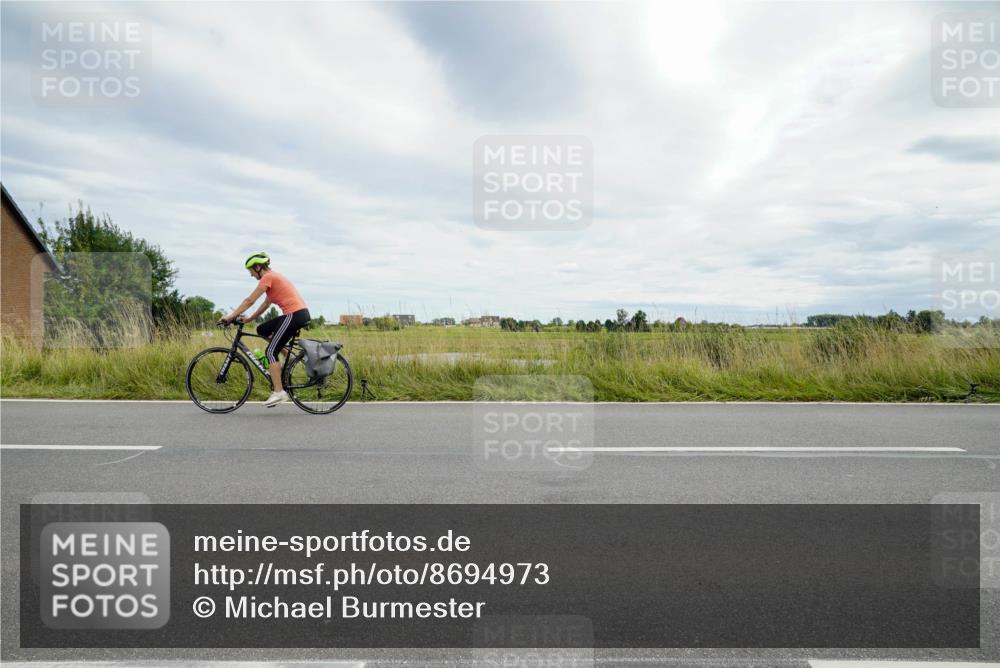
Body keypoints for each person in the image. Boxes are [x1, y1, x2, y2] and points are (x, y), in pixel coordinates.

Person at [219, 252, 311, 407]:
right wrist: (249, 319)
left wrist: (230, 316)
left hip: (294, 315)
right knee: (262, 329)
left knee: (270, 352)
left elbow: (250, 300)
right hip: (297, 314)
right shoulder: (273, 278)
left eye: (251, 272)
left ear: (258, 267)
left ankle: (279, 392)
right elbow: (266, 304)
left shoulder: (268, 277)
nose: (251, 275)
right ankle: (286, 357)